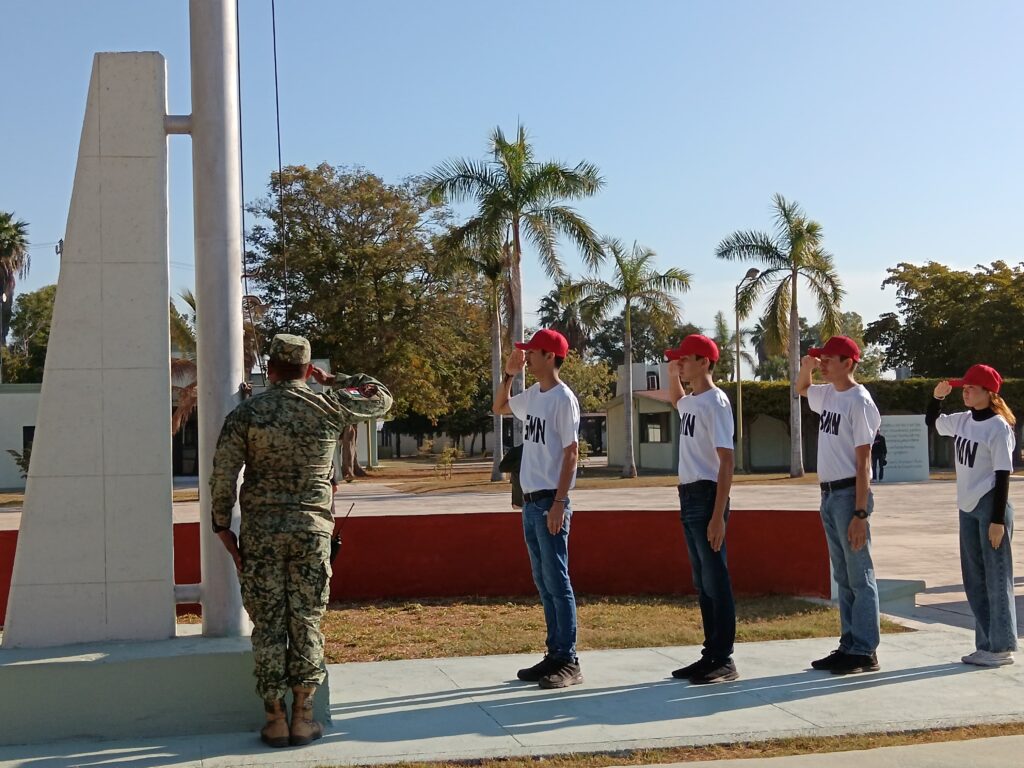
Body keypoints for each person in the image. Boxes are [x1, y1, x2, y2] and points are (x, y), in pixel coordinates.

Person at [210, 334, 392, 748]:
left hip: (261, 535)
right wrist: (333, 380)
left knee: (269, 625)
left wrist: (223, 526)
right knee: (306, 621)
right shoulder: (330, 405)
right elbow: (380, 398)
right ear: (308, 370)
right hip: (312, 532)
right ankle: (304, 717)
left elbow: (223, 474)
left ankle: (274, 718)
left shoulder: (248, 413)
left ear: (270, 369)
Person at [493, 328, 583, 689]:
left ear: (550, 356)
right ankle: (554, 654)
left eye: (531, 352)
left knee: (558, 581)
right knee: (544, 582)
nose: (526, 356)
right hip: (530, 502)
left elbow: (571, 452)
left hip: (549, 500)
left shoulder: (563, 398)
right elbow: (500, 407)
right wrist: (509, 374)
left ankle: (569, 660)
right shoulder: (534, 395)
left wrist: (559, 503)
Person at [797, 335, 882, 675]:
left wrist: (860, 513)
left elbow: (863, 462)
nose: (824, 364)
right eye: (822, 359)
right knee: (843, 576)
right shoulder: (829, 394)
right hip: (829, 494)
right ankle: (849, 644)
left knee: (859, 574)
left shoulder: (858, 401)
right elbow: (802, 389)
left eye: (829, 359)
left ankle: (865, 650)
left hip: (849, 494)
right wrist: (807, 367)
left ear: (848, 362)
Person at [927, 364, 1017, 666]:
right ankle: (986, 644)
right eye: (963, 387)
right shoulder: (963, 420)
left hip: (990, 503)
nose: (964, 391)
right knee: (975, 579)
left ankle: (1001, 647)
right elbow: (932, 423)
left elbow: (1003, 474)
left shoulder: (998, 426)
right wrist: (937, 398)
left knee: (996, 577)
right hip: (967, 505)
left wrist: (997, 521)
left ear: (988, 393)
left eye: (970, 388)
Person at [665, 334, 738, 684]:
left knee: (715, 579)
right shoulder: (693, 402)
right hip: (689, 495)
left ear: (705, 362)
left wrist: (718, 516)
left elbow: (727, 461)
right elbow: (677, 399)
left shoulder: (716, 402)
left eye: (686, 359)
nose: (680, 363)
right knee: (702, 581)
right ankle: (710, 653)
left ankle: (723, 658)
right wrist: (671, 370)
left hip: (708, 495)